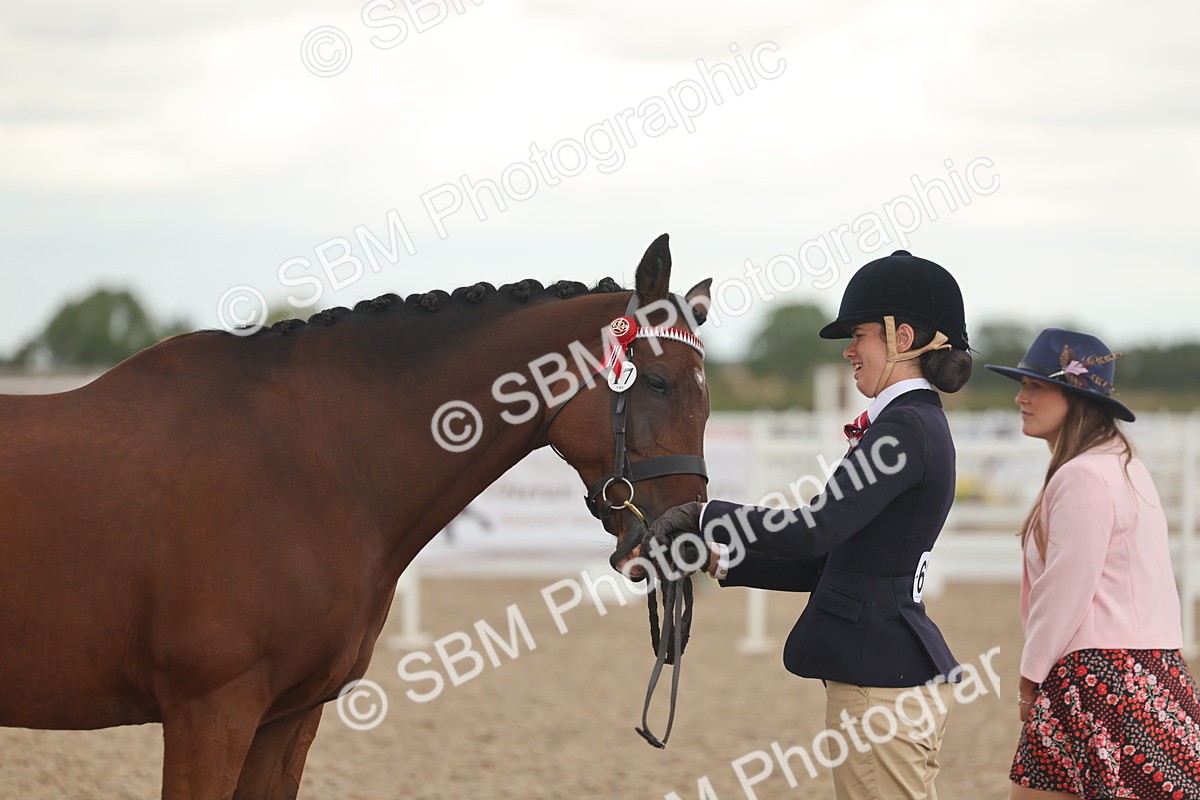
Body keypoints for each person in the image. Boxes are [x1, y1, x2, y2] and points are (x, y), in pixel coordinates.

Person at [647, 250, 973, 800]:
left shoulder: (903, 429)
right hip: (883, 680)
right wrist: (714, 553)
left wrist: (706, 516)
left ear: (903, 337)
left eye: (859, 334)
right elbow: (830, 560)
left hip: (879, 688)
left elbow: (815, 527)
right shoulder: (908, 424)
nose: (849, 350)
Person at [985, 328, 1200, 800]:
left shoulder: (1083, 475)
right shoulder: (1123, 466)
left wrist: (1029, 677)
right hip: (1150, 671)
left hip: (1101, 678)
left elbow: (1066, 589)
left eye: (1035, 386)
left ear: (1074, 397)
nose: (1021, 397)